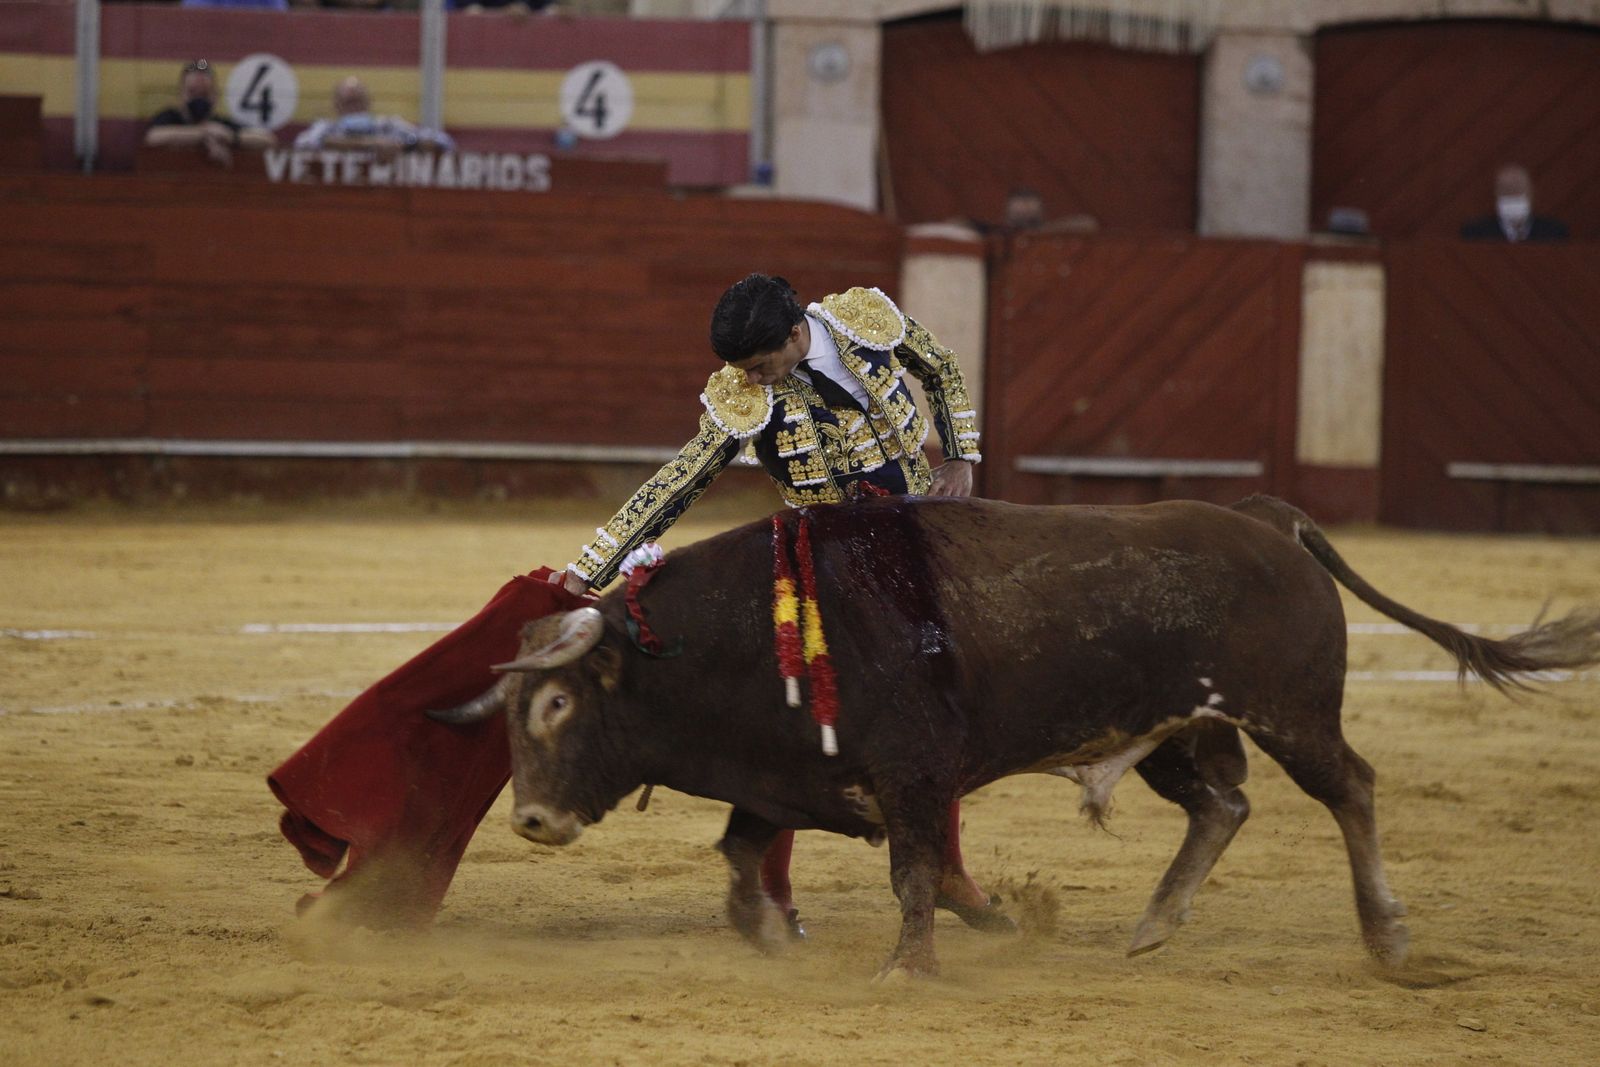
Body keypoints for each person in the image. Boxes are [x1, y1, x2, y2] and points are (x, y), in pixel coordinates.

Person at [553, 274, 1011, 937]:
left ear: (797, 334)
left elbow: (937, 366)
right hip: (821, 561)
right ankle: (773, 893)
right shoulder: (742, 392)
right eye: (744, 371)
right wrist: (587, 569)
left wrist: (963, 454)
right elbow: (679, 481)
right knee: (786, 719)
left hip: (916, 546)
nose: (755, 382)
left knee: (935, 710)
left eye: (763, 366)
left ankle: (945, 868)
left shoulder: (865, 322)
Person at [145, 60, 276, 168]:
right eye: (193, 93)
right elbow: (153, 137)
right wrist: (204, 134)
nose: (199, 99)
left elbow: (268, 140)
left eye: (204, 94)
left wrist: (230, 137)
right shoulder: (170, 116)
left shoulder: (222, 124)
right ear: (181, 94)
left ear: (215, 96)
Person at [294, 77, 456, 155]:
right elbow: (302, 144)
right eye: (348, 103)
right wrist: (368, 144)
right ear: (337, 107)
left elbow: (444, 143)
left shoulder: (388, 126)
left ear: (368, 104)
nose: (354, 108)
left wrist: (405, 145)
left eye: (358, 102)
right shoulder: (327, 128)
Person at [1460, 165, 1569, 243]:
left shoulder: (1553, 233)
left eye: (1518, 192)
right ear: (1496, 196)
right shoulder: (1476, 233)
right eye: (1506, 192)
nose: (1512, 199)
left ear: (1531, 196)